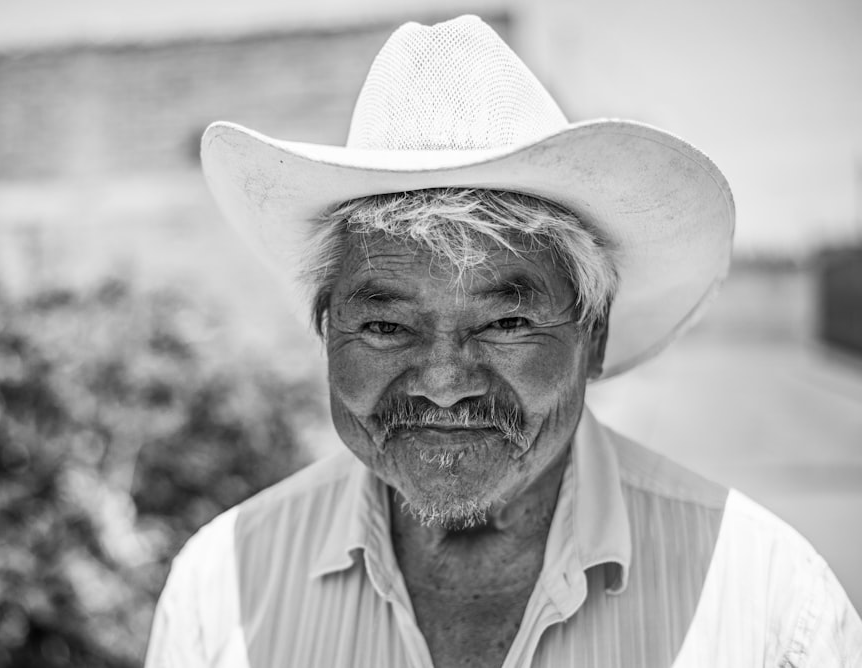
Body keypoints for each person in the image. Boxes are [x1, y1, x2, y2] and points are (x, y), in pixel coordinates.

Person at [144, 15, 862, 667]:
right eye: (387, 326)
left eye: (507, 323)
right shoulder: (223, 592)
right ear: (326, 330)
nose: (445, 381)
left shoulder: (765, 606)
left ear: (596, 336)